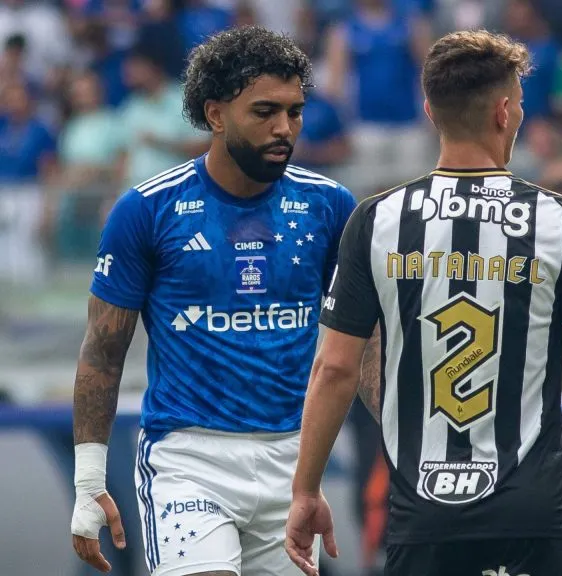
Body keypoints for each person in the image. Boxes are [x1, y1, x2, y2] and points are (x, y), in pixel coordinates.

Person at [284, 30, 562, 576]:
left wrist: (306, 489)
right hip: (527, 515)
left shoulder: (377, 219)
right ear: (505, 112)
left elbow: (335, 368)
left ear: (429, 110)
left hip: (422, 519)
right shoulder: (557, 219)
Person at [68, 26, 357, 576]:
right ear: (216, 114)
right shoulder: (146, 210)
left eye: (295, 112)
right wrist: (89, 480)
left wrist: (403, 448)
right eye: (265, 111)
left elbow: (362, 344)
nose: (284, 129)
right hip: (188, 460)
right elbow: (103, 352)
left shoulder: (329, 205)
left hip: (294, 462)